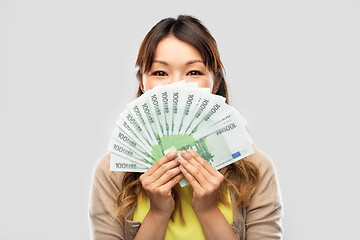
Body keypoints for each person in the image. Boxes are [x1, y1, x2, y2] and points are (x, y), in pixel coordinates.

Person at [88, 15, 283, 240]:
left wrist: (208, 210)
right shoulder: (111, 172)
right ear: (142, 83)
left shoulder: (257, 170)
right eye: (160, 73)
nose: (176, 87)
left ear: (215, 82)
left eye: (194, 72)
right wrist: (158, 212)